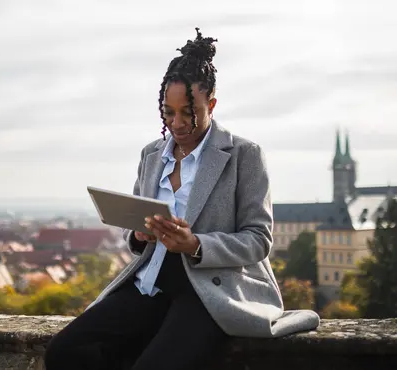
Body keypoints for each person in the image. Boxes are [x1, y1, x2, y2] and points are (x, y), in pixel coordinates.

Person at [44, 28, 320, 370]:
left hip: (210, 293)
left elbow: (258, 240)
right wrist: (139, 233)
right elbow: (135, 231)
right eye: (168, 112)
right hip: (150, 285)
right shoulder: (151, 155)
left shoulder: (244, 155)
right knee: (64, 352)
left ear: (212, 104)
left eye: (188, 112)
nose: (176, 123)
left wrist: (195, 244)